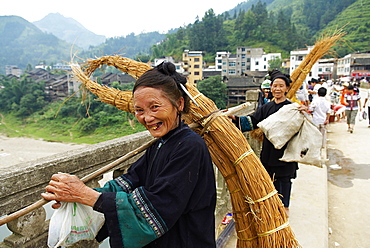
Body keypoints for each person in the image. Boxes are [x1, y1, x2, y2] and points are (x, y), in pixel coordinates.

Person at [41, 62, 217, 248]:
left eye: (155, 107)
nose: (147, 118)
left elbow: (158, 204)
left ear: (179, 103)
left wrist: (85, 195)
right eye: (139, 110)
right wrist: (78, 197)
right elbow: (129, 182)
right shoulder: (161, 144)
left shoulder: (190, 146)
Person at [229, 69, 307, 213]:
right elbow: (252, 122)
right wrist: (235, 119)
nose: (277, 89)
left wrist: (303, 112)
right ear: (271, 88)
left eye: (281, 86)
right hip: (269, 150)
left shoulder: (292, 108)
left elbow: (301, 129)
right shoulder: (267, 107)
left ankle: (284, 209)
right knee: (268, 180)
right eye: (274, 86)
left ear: (287, 88)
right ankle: (271, 208)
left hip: (285, 151)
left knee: (284, 181)